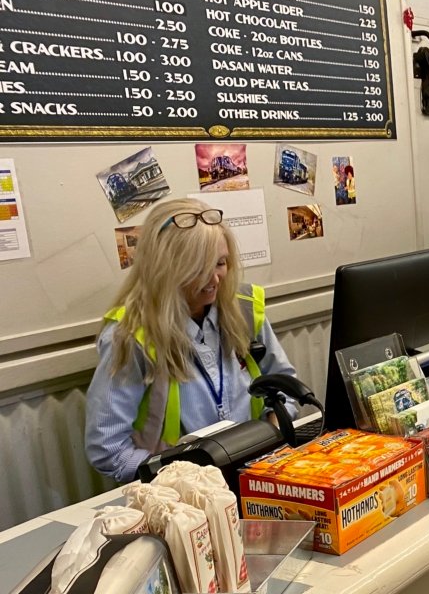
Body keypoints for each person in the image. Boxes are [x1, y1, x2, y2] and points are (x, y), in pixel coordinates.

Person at [86, 198, 297, 482]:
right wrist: (177, 477)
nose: (214, 279)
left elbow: (288, 388)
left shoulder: (244, 307)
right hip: (181, 489)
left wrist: (274, 432)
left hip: (256, 468)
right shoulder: (130, 336)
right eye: (198, 268)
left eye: (221, 263)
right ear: (164, 268)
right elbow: (108, 449)